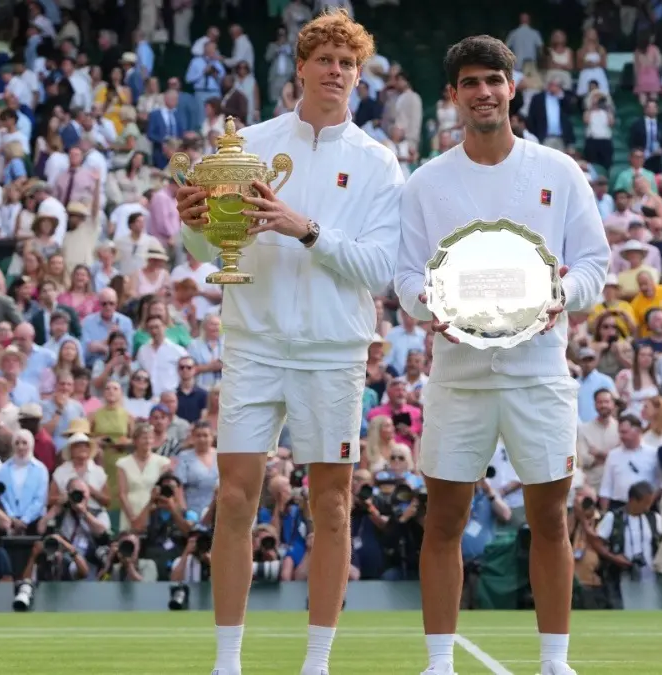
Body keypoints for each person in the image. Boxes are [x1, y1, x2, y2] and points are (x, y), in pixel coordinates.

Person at [174, 10, 403, 675]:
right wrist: (193, 225)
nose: (335, 72)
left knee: (331, 503)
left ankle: (317, 662)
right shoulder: (245, 145)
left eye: (347, 63)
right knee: (238, 495)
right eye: (325, 59)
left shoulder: (377, 163)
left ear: (359, 77)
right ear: (301, 66)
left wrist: (304, 229)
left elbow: (379, 270)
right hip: (254, 342)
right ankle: (227, 662)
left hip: (334, 351)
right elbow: (210, 245)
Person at [395, 36, 610, 675]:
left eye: (494, 79)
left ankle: (554, 662)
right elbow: (407, 278)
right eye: (470, 82)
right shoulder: (427, 182)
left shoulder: (559, 170)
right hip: (457, 376)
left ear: (512, 87)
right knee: (444, 521)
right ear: (454, 95)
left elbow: (596, 265)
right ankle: (439, 662)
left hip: (539, 369)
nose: (483, 91)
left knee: (549, 518)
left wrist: (558, 296)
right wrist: (432, 309)